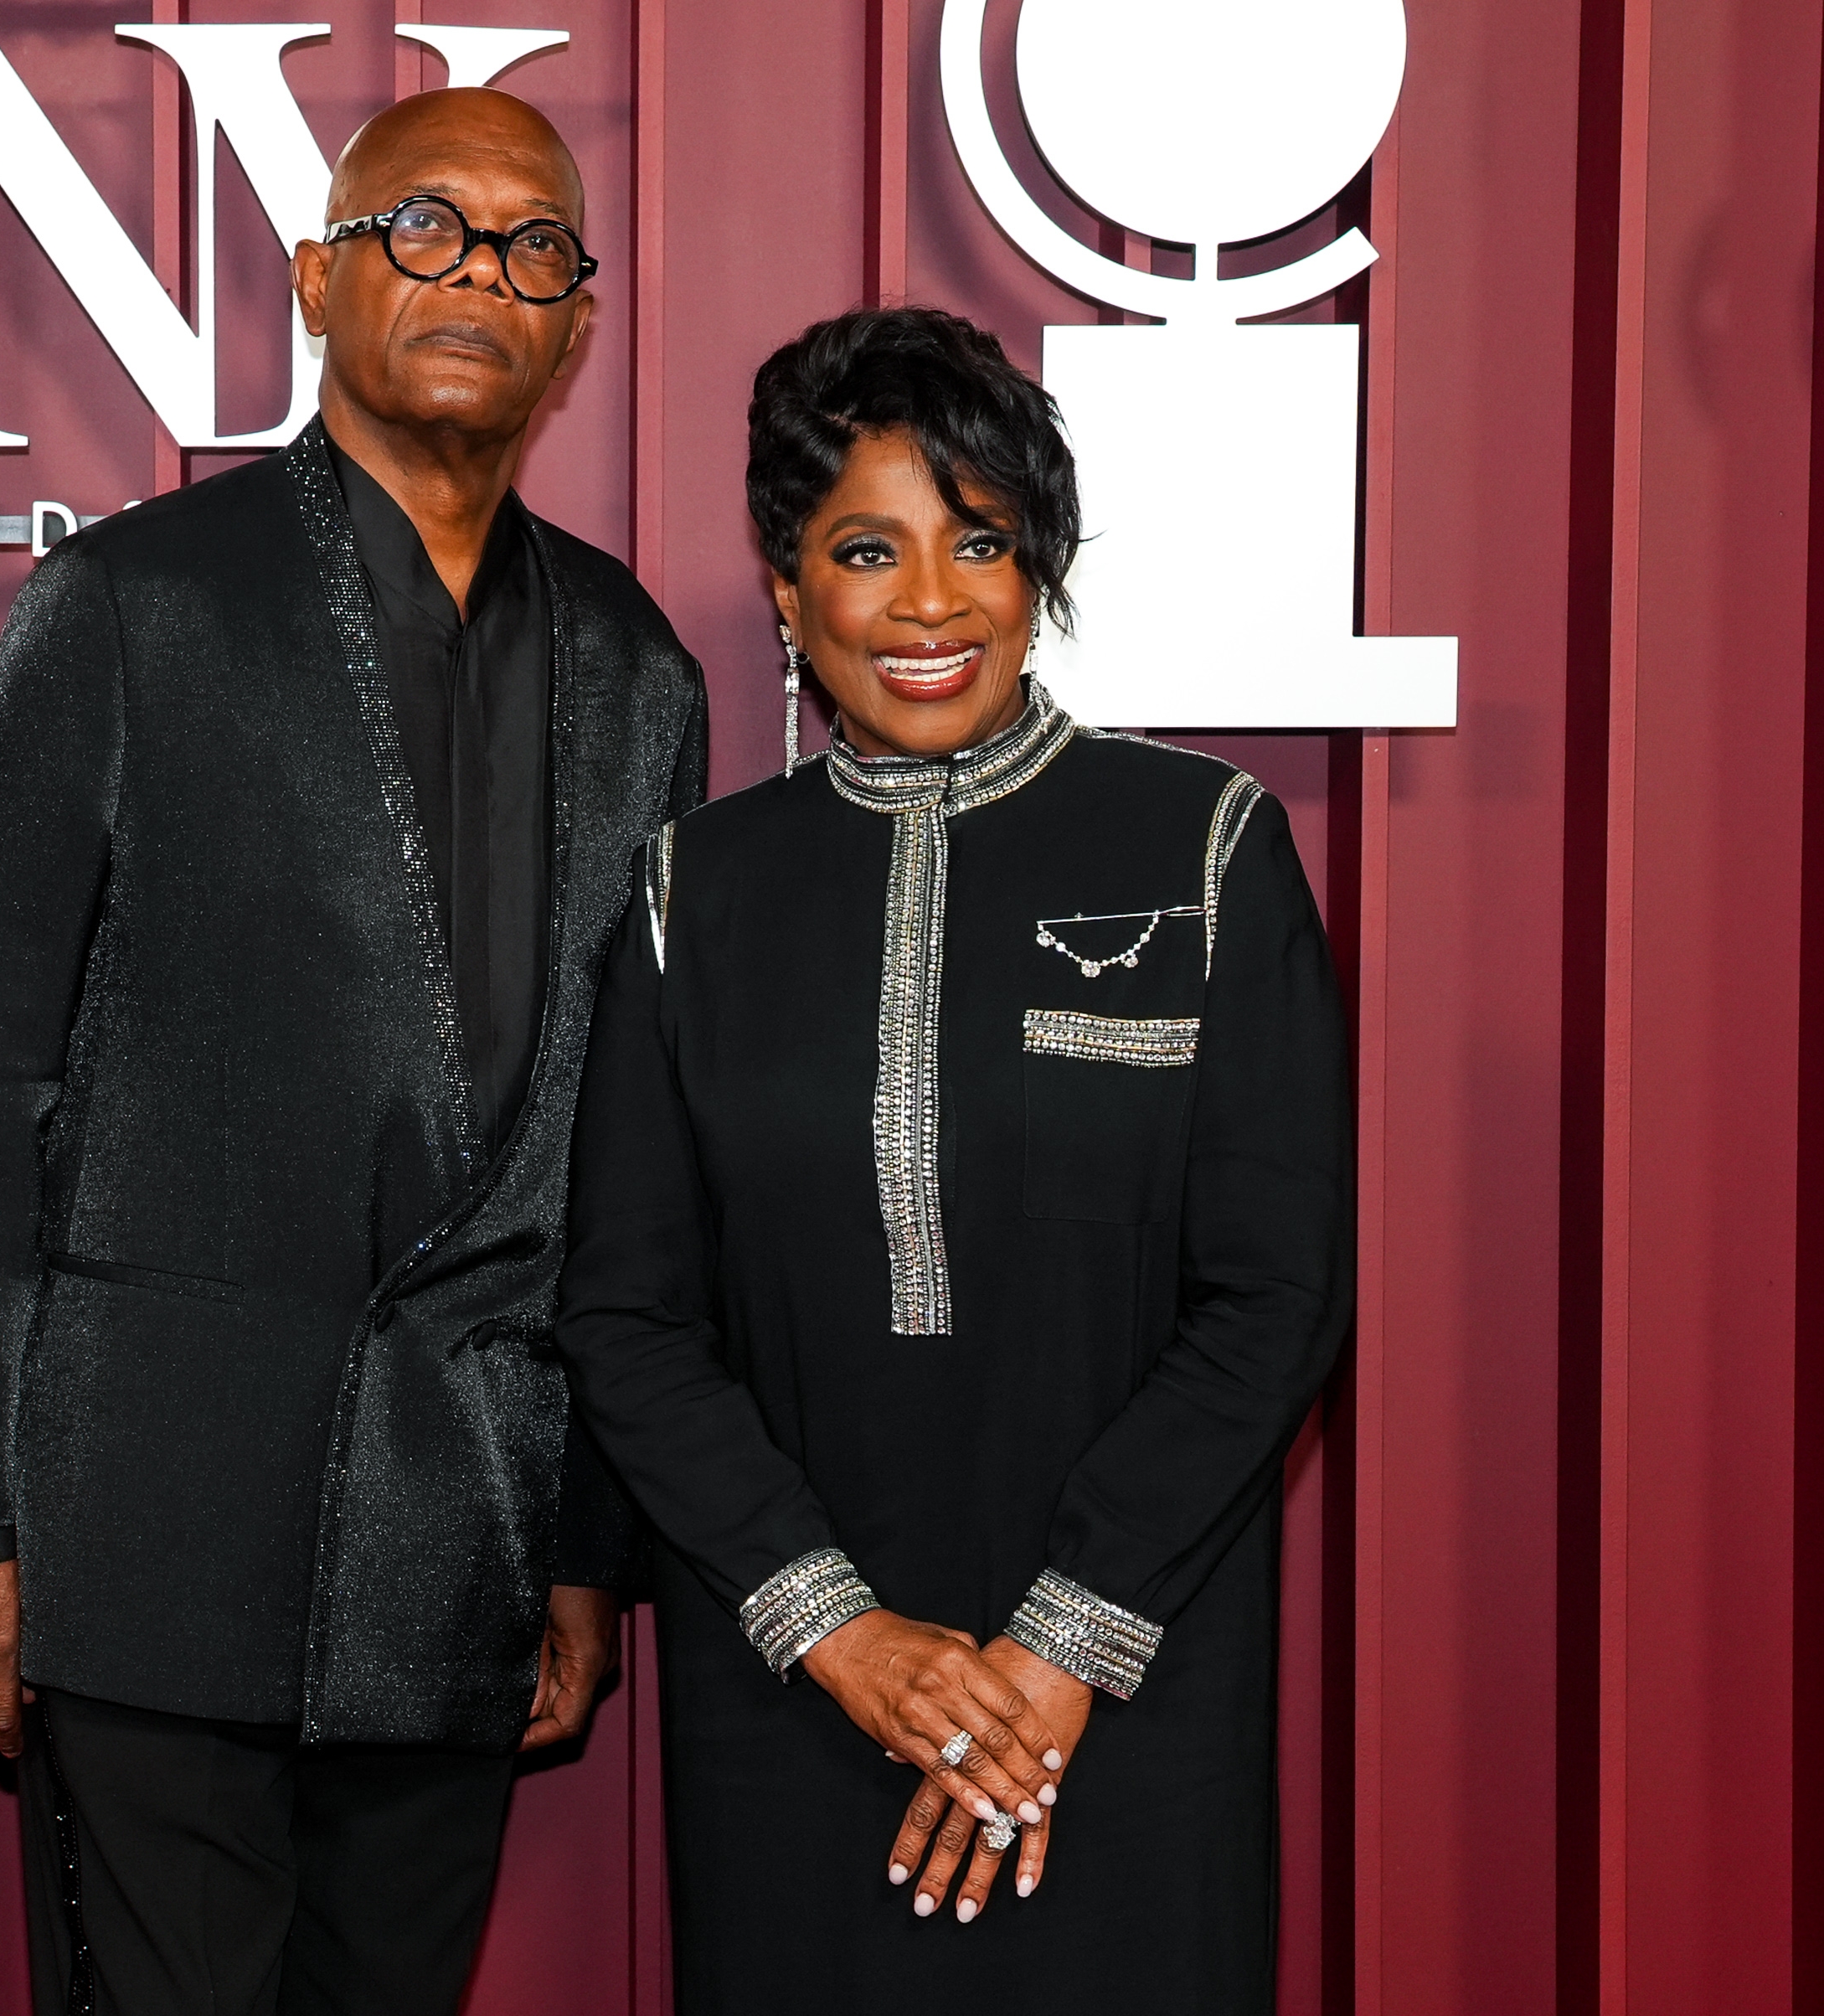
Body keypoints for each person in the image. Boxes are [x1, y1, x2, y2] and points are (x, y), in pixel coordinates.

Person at [0, 87, 706, 2016]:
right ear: (321, 275)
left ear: (577, 323)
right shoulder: (136, 604)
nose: (480, 272)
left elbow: (623, 1155)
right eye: (426, 227)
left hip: (462, 1535)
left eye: (533, 245)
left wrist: (584, 1542)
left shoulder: (642, 674)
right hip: (138, 1518)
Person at [555, 305, 1350, 2012]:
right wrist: (844, 1634)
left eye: (979, 541)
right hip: (794, 1696)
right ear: (787, 586)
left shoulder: (1207, 847)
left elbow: (1275, 1291)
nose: (929, 601)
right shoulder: (694, 893)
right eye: (867, 548)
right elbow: (626, 1315)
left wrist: (1060, 1645)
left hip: (1131, 1686)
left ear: (1038, 567)